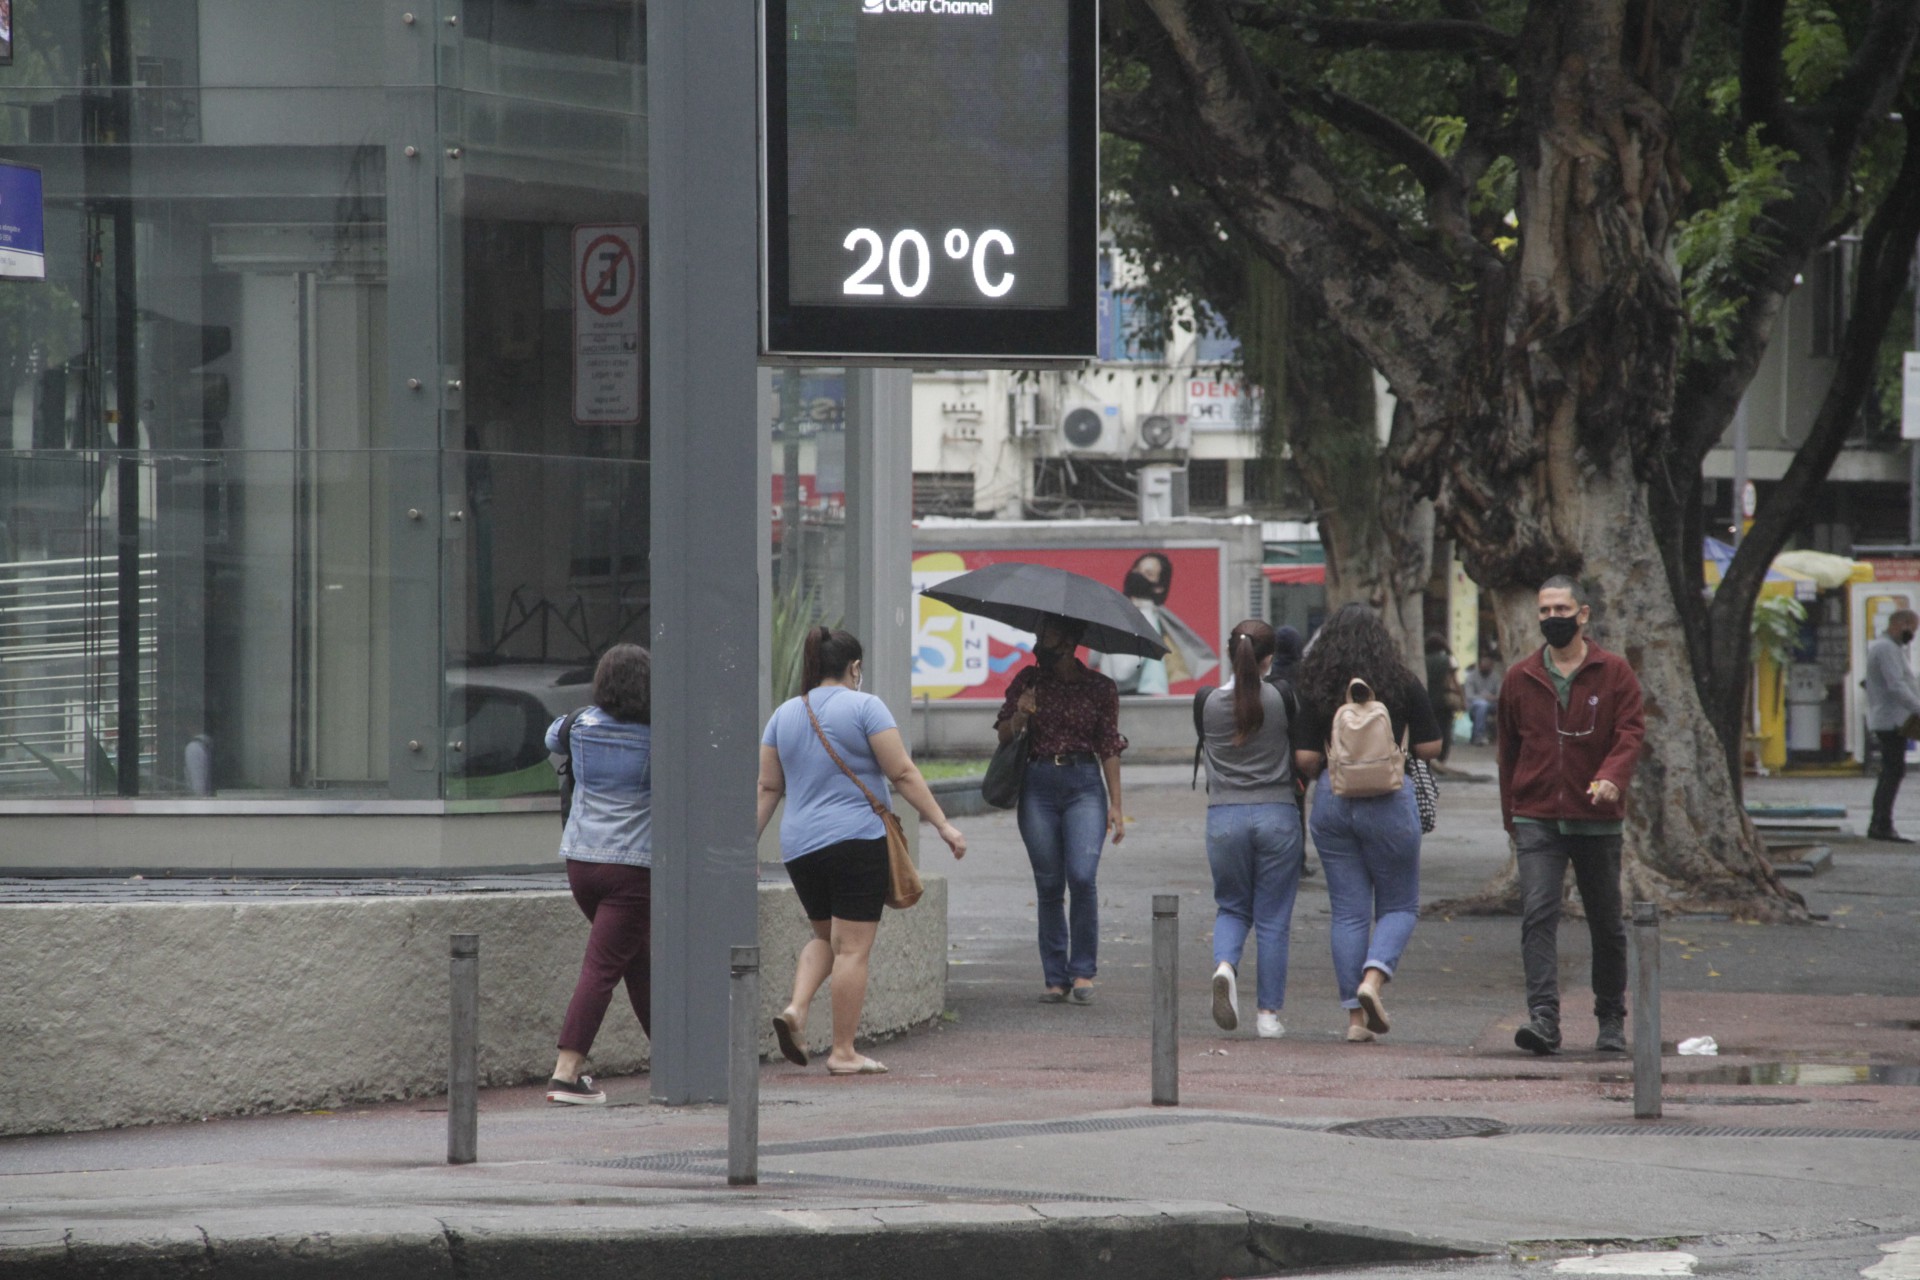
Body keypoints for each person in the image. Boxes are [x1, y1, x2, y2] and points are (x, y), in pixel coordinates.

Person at [758, 627, 967, 1075]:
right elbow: (903, 773)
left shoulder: (784, 714)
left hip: (800, 847)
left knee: (825, 939)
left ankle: (796, 1008)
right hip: (854, 839)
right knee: (852, 948)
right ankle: (843, 1052)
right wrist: (943, 824)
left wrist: (743, 849)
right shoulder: (865, 706)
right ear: (854, 668)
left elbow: (769, 787)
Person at [1497, 575, 1646, 1056]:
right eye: (1544, 611)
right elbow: (1508, 753)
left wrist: (1612, 777)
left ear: (1583, 614)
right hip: (1536, 817)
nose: (1552, 619)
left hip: (1596, 819)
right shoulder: (1520, 678)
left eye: (1561, 610)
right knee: (1537, 915)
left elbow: (1630, 733)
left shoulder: (1615, 672)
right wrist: (1511, 817)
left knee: (1606, 922)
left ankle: (1609, 1018)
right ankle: (1544, 1019)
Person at [1290, 604, 1443, 1043]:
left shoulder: (1316, 685)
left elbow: (1305, 759)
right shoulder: (1401, 681)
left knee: (1348, 913)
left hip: (1334, 805)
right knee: (1398, 906)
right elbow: (1431, 747)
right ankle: (1373, 980)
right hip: (1391, 803)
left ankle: (1355, 1021)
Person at [544, 643, 655, 1105]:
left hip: (581, 864)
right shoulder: (659, 734)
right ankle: (566, 1075)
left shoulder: (577, 725)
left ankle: (673, 1054)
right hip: (631, 868)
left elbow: (551, 740)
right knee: (603, 967)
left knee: (636, 959)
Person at [997, 614, 1128, 1003]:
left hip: (1085, 786)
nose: (1041, 642)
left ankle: (1083, 970)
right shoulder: (1028, 680)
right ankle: (1056, 977)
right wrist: (1021, 713)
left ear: (1070, 642)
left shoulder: (1100, 688)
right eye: (1039, 634)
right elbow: (1004, 734)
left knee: (1083, 876)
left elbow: (1108, 745)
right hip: (1037, 785)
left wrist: (1117, 804)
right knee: (1050, 883)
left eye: (1048, 635)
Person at [1199, 620, 1303, 1038]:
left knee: (1231, 908)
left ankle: (1225, 966)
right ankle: (1267, 1016)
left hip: (1224, 816)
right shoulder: (1280, 698)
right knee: (1273, 919)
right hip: (1276, 814)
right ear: (1269, 657)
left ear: (1230, 654)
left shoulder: (1206, 703)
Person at [1091, 552, 1218, 694]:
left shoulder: (1144, 619)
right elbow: (1094, 658)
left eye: (1148, 573)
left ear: (1159, 587)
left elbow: (1121, 672)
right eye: (1137, 569)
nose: (1137, 575)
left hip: (1132, 701)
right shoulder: (1124, 613)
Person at [1864, 608, 1920, 843]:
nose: (1913, 634)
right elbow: (1896, 685)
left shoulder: (1892, 648)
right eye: (1913, 629)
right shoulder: (1886, 648)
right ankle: (1881, 824)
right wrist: (1918, 707)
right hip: (1891, 720)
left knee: (1893, 771)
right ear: (1900, 624)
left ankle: (1881, 823)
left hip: (1895, 718)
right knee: (1892, 771)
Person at [1424, 633, 1462, 766]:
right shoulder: (1448, 659)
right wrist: (1462, 698)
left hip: (1428, 698)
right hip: (1444, 700)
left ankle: (1430, 757)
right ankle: (1442, 757)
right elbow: (1454, 681)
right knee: (1445, 728)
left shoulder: (1423, 660)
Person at [1464, 653, 1503, 746]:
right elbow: (1469, 695)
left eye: (1488, 667)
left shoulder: (1495, 677)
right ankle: (1479, 736)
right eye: (1483, 667)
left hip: (1493, 703)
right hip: (1475, 704)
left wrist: (1493, 697)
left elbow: (1500, 694)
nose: (1485, 669)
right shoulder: (1471, 677)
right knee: (1482, 705)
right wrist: (1484, 697)